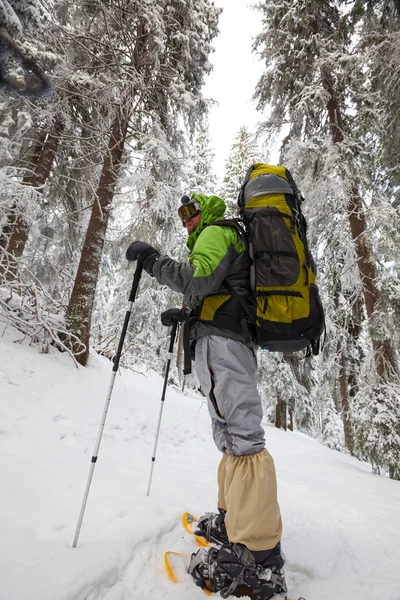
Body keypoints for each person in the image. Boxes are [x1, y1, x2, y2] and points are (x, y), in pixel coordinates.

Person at [126, 193, 286, 600]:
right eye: (181, 216)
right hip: (222, 343)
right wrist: (189, 316)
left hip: (224, 346)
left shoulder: (216, 231)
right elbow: (216, 290)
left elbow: (197, 278)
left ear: (205, 210)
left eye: (190, 211)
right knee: (231, 434)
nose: (186, 222)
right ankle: (236, 521)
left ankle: (258, 556)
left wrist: (152, 261)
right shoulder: (221, 238)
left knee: (242, 435)